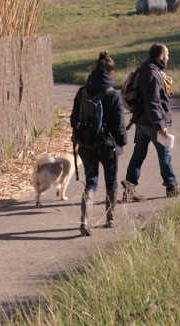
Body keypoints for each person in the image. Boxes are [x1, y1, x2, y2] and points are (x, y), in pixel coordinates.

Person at [70, 52, 127, 236]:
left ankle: (85, 221)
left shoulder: (83, 91)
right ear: (111, 73)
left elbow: (73, 120)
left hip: (86, 145)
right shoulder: (113, 95)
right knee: (111, 182)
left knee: (91, 182)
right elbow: (119, 126)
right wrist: (122, 141)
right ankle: (110, 219)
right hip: (108, 146)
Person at [121, 43, 180, 202]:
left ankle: (129, 187)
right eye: (167, 55)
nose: (168, 58)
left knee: (139, 154)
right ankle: (171, 186)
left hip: (141, 121)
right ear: (161, 56)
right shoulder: (152, 75)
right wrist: (160, 125)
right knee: (165, 153)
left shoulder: (143, 70)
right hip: (151, 122)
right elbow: (153, 102)